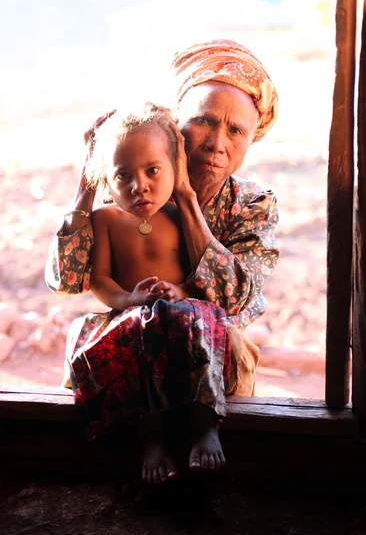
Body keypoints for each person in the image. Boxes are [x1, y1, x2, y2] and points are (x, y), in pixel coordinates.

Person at [45, 38, 280, 476]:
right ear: (175, 128)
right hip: (139, 339)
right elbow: (67, 281)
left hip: (209, 355)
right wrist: (89, 181)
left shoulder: (252, 204)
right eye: (204, 122)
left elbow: (233, 298)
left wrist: (189, 201)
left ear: (251, 139)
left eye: (236, 131)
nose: (215, 143)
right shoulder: (135, 192)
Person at [61, 103, 232, 485]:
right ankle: (150, 437)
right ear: (104, 178)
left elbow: (198, 276)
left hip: (181, 310)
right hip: (132, 315)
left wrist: (181, 289)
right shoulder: (105, 219)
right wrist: (129, 301)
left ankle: (206, 424)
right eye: (123, 175)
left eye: (153, 170)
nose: (140, 186)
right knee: (132, 334)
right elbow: (100, 281)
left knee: (196, 319)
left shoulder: (180, 213)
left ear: (176, 167)